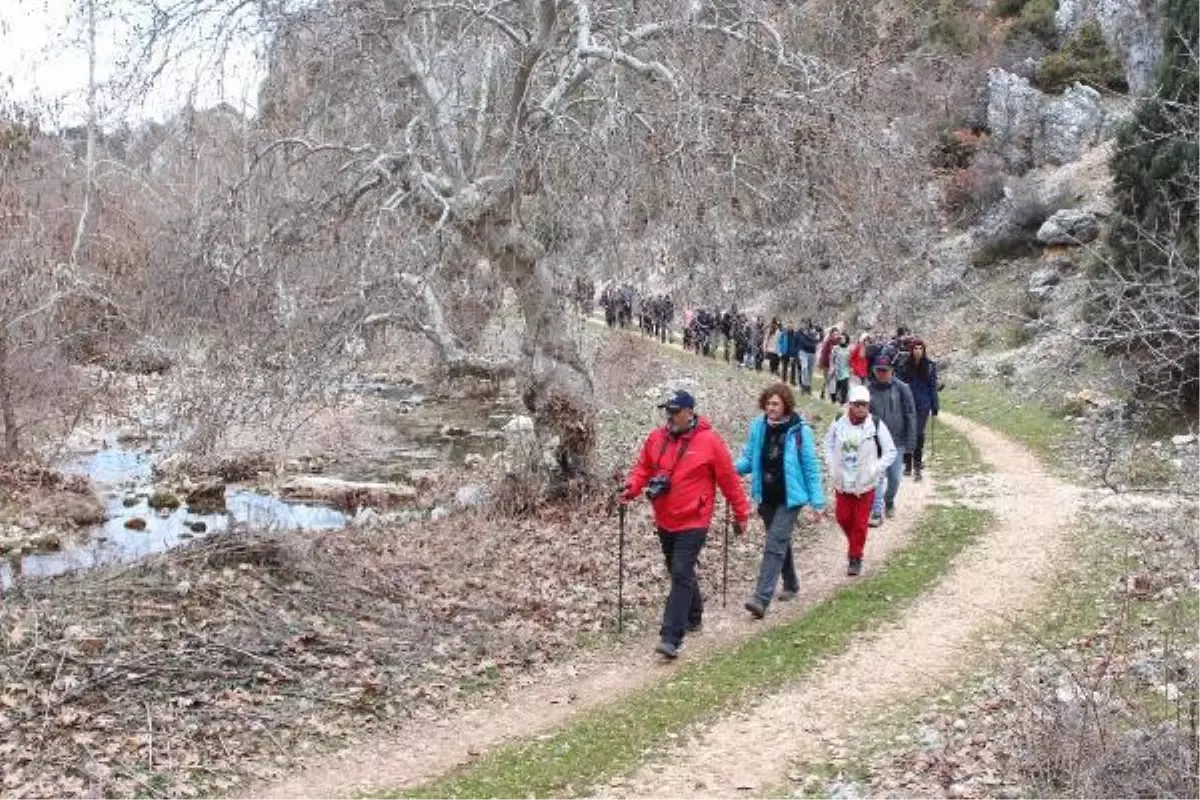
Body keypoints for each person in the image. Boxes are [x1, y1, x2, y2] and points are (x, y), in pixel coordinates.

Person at [622, 390, 750, 660]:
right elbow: (643, 468)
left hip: (695, 518)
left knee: (680, 571)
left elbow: (729, 480)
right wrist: (630, 489)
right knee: (677, 569)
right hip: (665, 517)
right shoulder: (656, 438)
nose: (669, 417)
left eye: (675, 412)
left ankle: (671, 637)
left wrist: (741, 514)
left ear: (690, 413)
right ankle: (693, 614)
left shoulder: (710, 442)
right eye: (667, 411)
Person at [735, 383, 826, 618]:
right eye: (767, 403)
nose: (770, 407)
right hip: (766, 495)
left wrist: (817, 503)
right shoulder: (758, 426)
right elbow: (749, 459)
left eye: (775, 403)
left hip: (790, 498)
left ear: (785, 404)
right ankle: (792, 584)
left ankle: (761, 598)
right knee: (780, 543)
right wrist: (726, 470)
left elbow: (810, 468)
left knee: (774, 544)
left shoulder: (799, 430)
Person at [824, 385, 897, 576]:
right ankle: (855, 544)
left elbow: (890, 451)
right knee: (842, 518)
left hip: (865, 484)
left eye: (864, 405)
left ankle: (855, 557)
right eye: (857, 405)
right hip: (843, 482)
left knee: (860, 522)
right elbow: (828, 443)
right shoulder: (839, 421)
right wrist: (832, 464)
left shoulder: (876, 424)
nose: (861, 409)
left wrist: (875, 468)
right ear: (850, 405)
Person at [867, 356, 916, 527]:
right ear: (874, 371)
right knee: (878, 477)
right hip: (875, 442)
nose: (882, 374)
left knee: (894, 477)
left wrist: (911, 441)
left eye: (885, 371)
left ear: (891, 371)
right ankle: (876, 511)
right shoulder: (868, 390)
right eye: (879, 370)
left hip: (897, 440)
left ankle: (889, 501)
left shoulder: (902, 388)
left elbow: (910, 414)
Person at [898, 339, 940, 482]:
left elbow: (932, 387)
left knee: (917, 433)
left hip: (923, 404)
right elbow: (899, 385)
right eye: (915, 348)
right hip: (908, 404)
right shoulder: (904, 366)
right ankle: (908, 463)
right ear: (911, 350)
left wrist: (935, 406)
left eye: (920, 348)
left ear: (924, 350)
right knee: (907, 432)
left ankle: (917, 466)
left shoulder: (929, 366)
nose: (917, 351)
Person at [796, 321, 820, 395]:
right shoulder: (800, 332)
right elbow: (799, 341)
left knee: (810, 371)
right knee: (804, 368)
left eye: (806, 323)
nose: (805, 325)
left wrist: (810, 340)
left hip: (812, 353)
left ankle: (808, 387)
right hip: (803, 352)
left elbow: (817, 341)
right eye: (803, 323)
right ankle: (804, 386)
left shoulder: (814, 332)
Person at [817, 326, 840, 402]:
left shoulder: (839, 342)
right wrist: (821, 364)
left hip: (835, 364)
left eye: (837, 334)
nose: (835, 336)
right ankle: (823, 392)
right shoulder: (828, 342)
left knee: (834, 381)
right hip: (827, 364)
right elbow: (824, 353)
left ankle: (832, 395)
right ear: (831, 334)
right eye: (834, 334)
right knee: (827, 379)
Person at [830, 333, 851, 404]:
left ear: (846, 339)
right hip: (836, 370)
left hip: (845, 370)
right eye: (840, 338)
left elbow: (851, 359)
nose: (841, 340)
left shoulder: (849, 349)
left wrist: (851, 368)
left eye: (843, 338)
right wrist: (832, 368)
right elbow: (832, 359)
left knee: (844, 387)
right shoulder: (835, 348)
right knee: (835, 387)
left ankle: (843, 402)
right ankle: (833, 400)